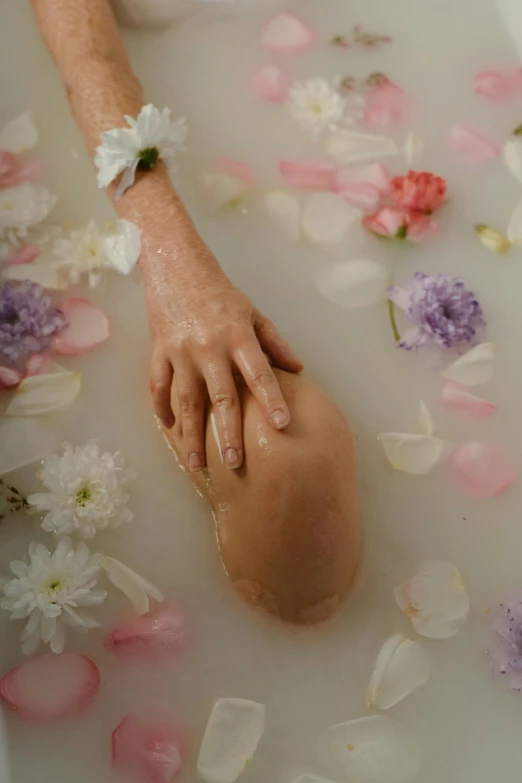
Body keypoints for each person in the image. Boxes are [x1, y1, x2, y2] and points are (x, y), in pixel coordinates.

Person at [31, 0, 362, 623]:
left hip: (335, 101)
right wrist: (175, 263)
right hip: (162, 187)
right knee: (285, 458)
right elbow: (88, 57)